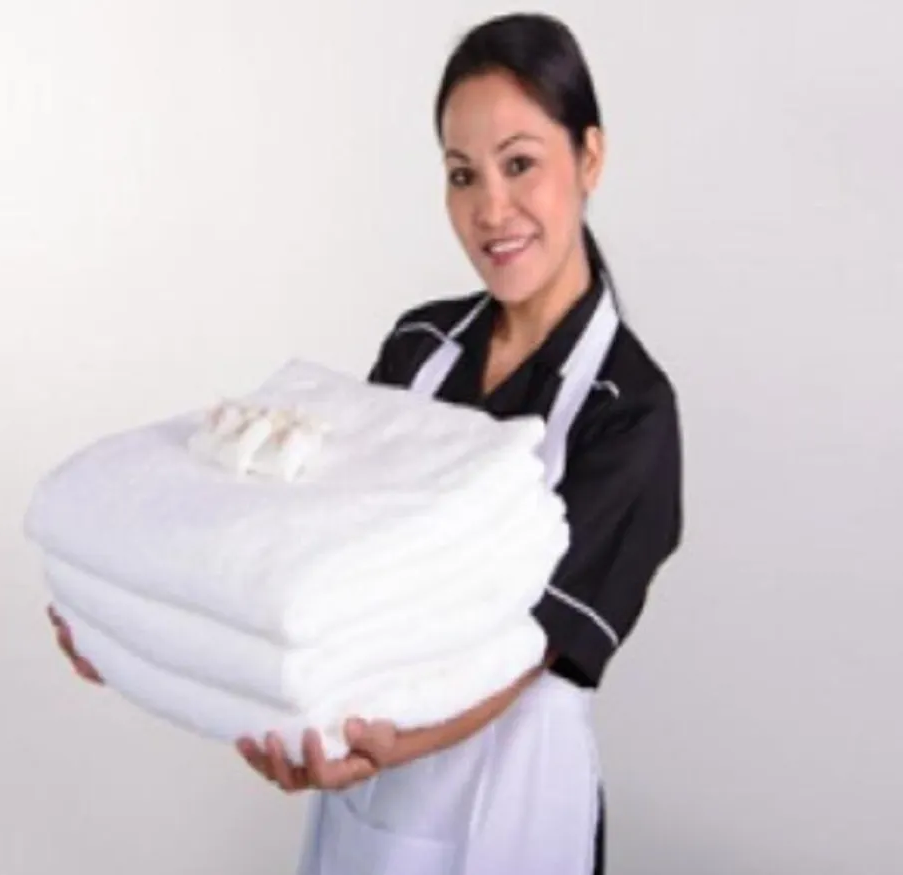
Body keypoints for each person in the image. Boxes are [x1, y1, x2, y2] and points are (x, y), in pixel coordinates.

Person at [48, 12, 682, 874]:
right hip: (372, 784)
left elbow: (527, 650)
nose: (491, 209)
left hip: (516, 793)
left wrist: (379, 740)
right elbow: (328, 558)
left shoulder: (629, 410)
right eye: (462, 175)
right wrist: (144, 637)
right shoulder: (421, 347)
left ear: (590, 157)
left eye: (520, 163)